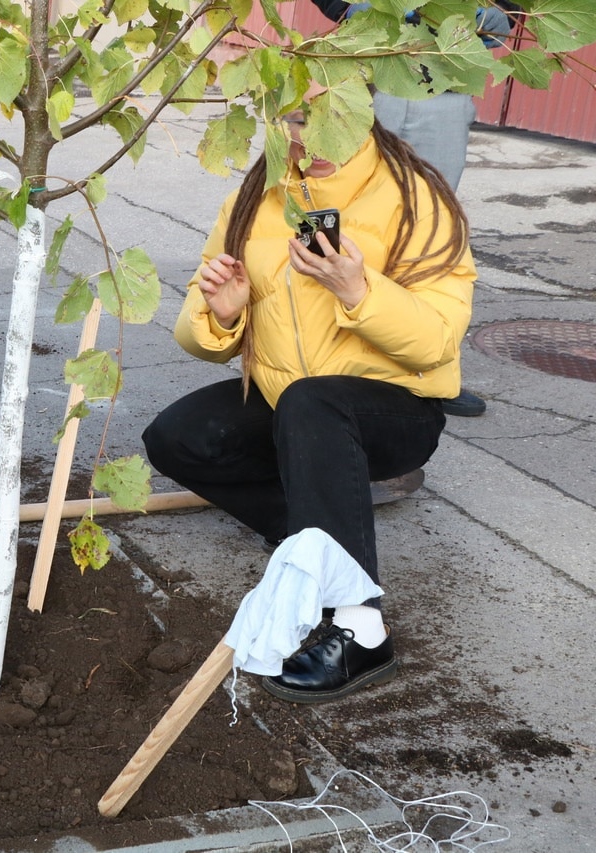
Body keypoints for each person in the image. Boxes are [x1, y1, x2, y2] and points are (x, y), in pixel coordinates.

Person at [141, 90, 476, 703]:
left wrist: (359, 292)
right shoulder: (259, 195)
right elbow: (198, 331)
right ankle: (306, 529)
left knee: (312, 402)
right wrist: (221, 314)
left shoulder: (415, 197)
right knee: (176, 437)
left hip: (392, 407)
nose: (307, 140)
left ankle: (362, 628)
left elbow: (438, 343)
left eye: (327, 121)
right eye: (296, 120)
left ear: (365, 114)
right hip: (289, 401)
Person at [307, 1, 521, 417]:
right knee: (334, 213)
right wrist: (348, 7)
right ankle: (314, 357)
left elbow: (512, 8)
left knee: (434, 228)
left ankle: (430, 371)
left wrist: (504, 16)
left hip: (443, 84)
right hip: (361, 77)